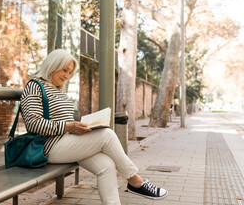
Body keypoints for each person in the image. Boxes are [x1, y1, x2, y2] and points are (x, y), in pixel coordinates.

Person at [20, 49, 167, 204]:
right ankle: (135, 181)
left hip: (68, 143)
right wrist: (69, 127)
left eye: (70, 72)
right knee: (106, 135)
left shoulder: (57, 90)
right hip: (48, 147)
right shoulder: (34, 86)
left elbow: (64, 120)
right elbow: (33, 123)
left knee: (107, 165)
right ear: (52, 64)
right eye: (64, 70)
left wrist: (81, 127)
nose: (66, 76)